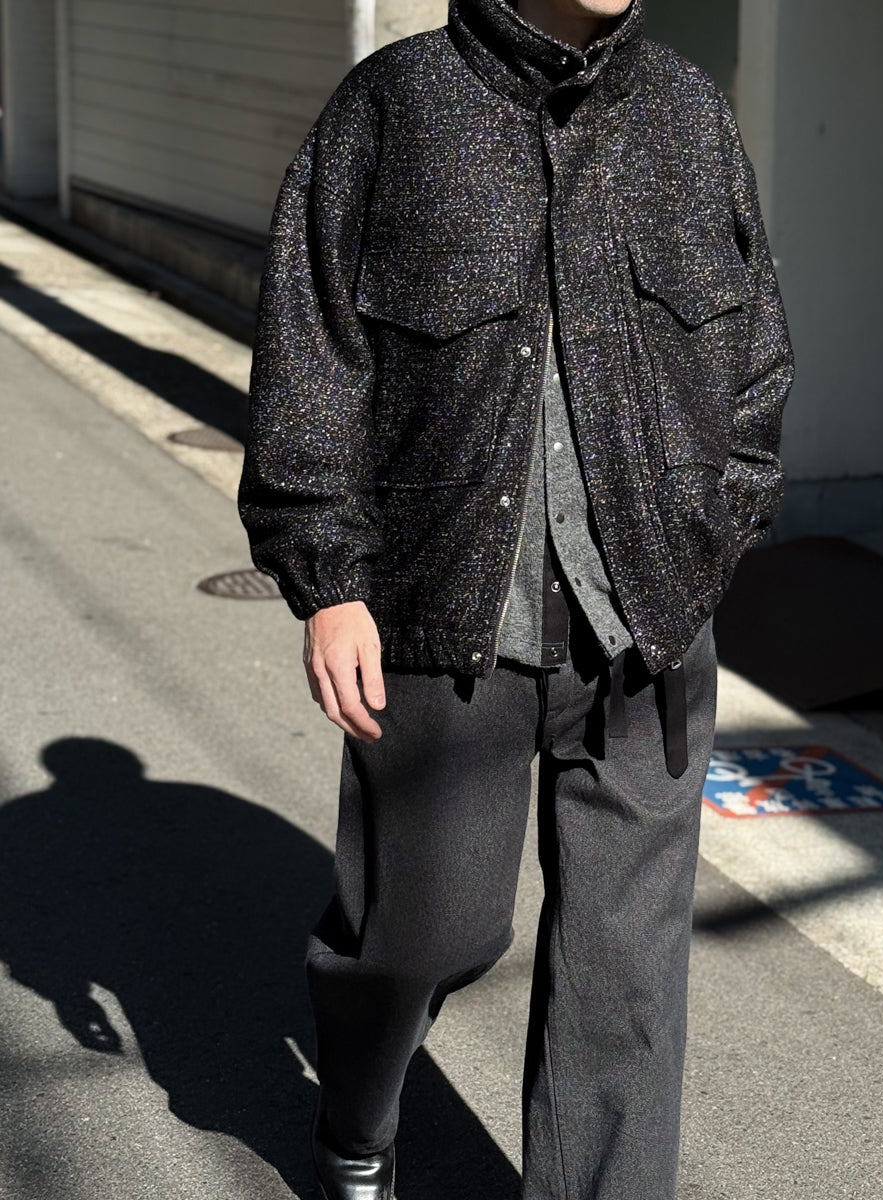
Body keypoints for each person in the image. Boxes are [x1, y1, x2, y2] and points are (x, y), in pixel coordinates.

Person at [237, 0, 794, 1196]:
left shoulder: (687, 115)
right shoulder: (394, 106)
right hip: (444, 614)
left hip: (646, 625)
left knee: (623, 983)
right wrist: (329, 581)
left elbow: (755, 357)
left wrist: (710, 539)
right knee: (421, 936)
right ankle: (356, 1124)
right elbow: (312, 354)